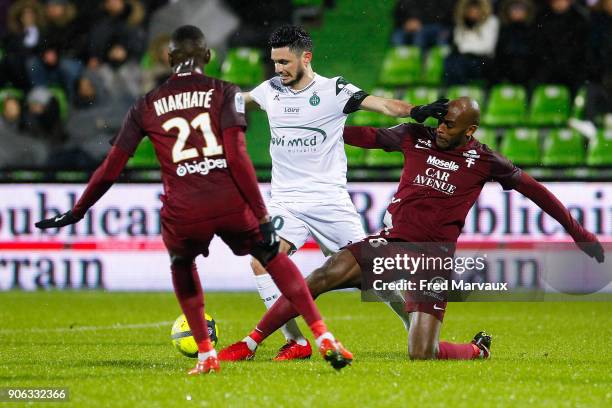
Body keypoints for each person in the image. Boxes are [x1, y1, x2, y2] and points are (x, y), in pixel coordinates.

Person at [34, 25, 353, 375]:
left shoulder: (146, 105)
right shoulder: (225, 92)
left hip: (183, 207)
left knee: (183, 266)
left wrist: (78, 211)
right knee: (272, 258)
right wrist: (260, 215)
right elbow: (238, 158)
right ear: (208, 57)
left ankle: (205, 354)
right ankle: (321, 335)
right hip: (228, 201)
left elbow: (111, 169)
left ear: (168, 59)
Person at [219, 97, 605, 361]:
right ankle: (250, 343)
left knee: (422, 353)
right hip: (390, 244)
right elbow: (362, 136)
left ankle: (474, 351)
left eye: (450, 125)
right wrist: (309, 131)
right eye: (439, 121)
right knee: (320, 276)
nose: (439, 129)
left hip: (432, 260)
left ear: (469, 131)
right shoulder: (414, 135)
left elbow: (535, 191)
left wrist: (580, 234)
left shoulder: (485, 160)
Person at [232, 24, 448, 361]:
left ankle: (416, 332)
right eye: (274, 62)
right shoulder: (270, 89)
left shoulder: (334, 90)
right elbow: (239, 100)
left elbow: (382, 105)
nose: (278, 70)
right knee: (262, 259)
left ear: (306, 57)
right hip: (286, 201)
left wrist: (414, 110)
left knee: (374, 278)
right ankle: (296, 342)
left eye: (285, 62)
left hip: (329, 201)